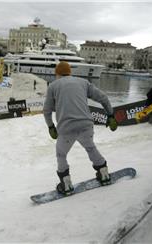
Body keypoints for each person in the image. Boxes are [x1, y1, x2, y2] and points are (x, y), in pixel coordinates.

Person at [43, 61, 118, 195]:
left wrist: (51, 127)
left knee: (61, 154)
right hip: (86, 125)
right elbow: (103, 98)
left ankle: (66, 184)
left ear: (57, 74)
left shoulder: (53, 86)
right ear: (70, 72)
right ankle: (104, 173)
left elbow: (46, 110)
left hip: (66, 127)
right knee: (90, 147)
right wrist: (111, 115)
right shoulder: (83, 83)